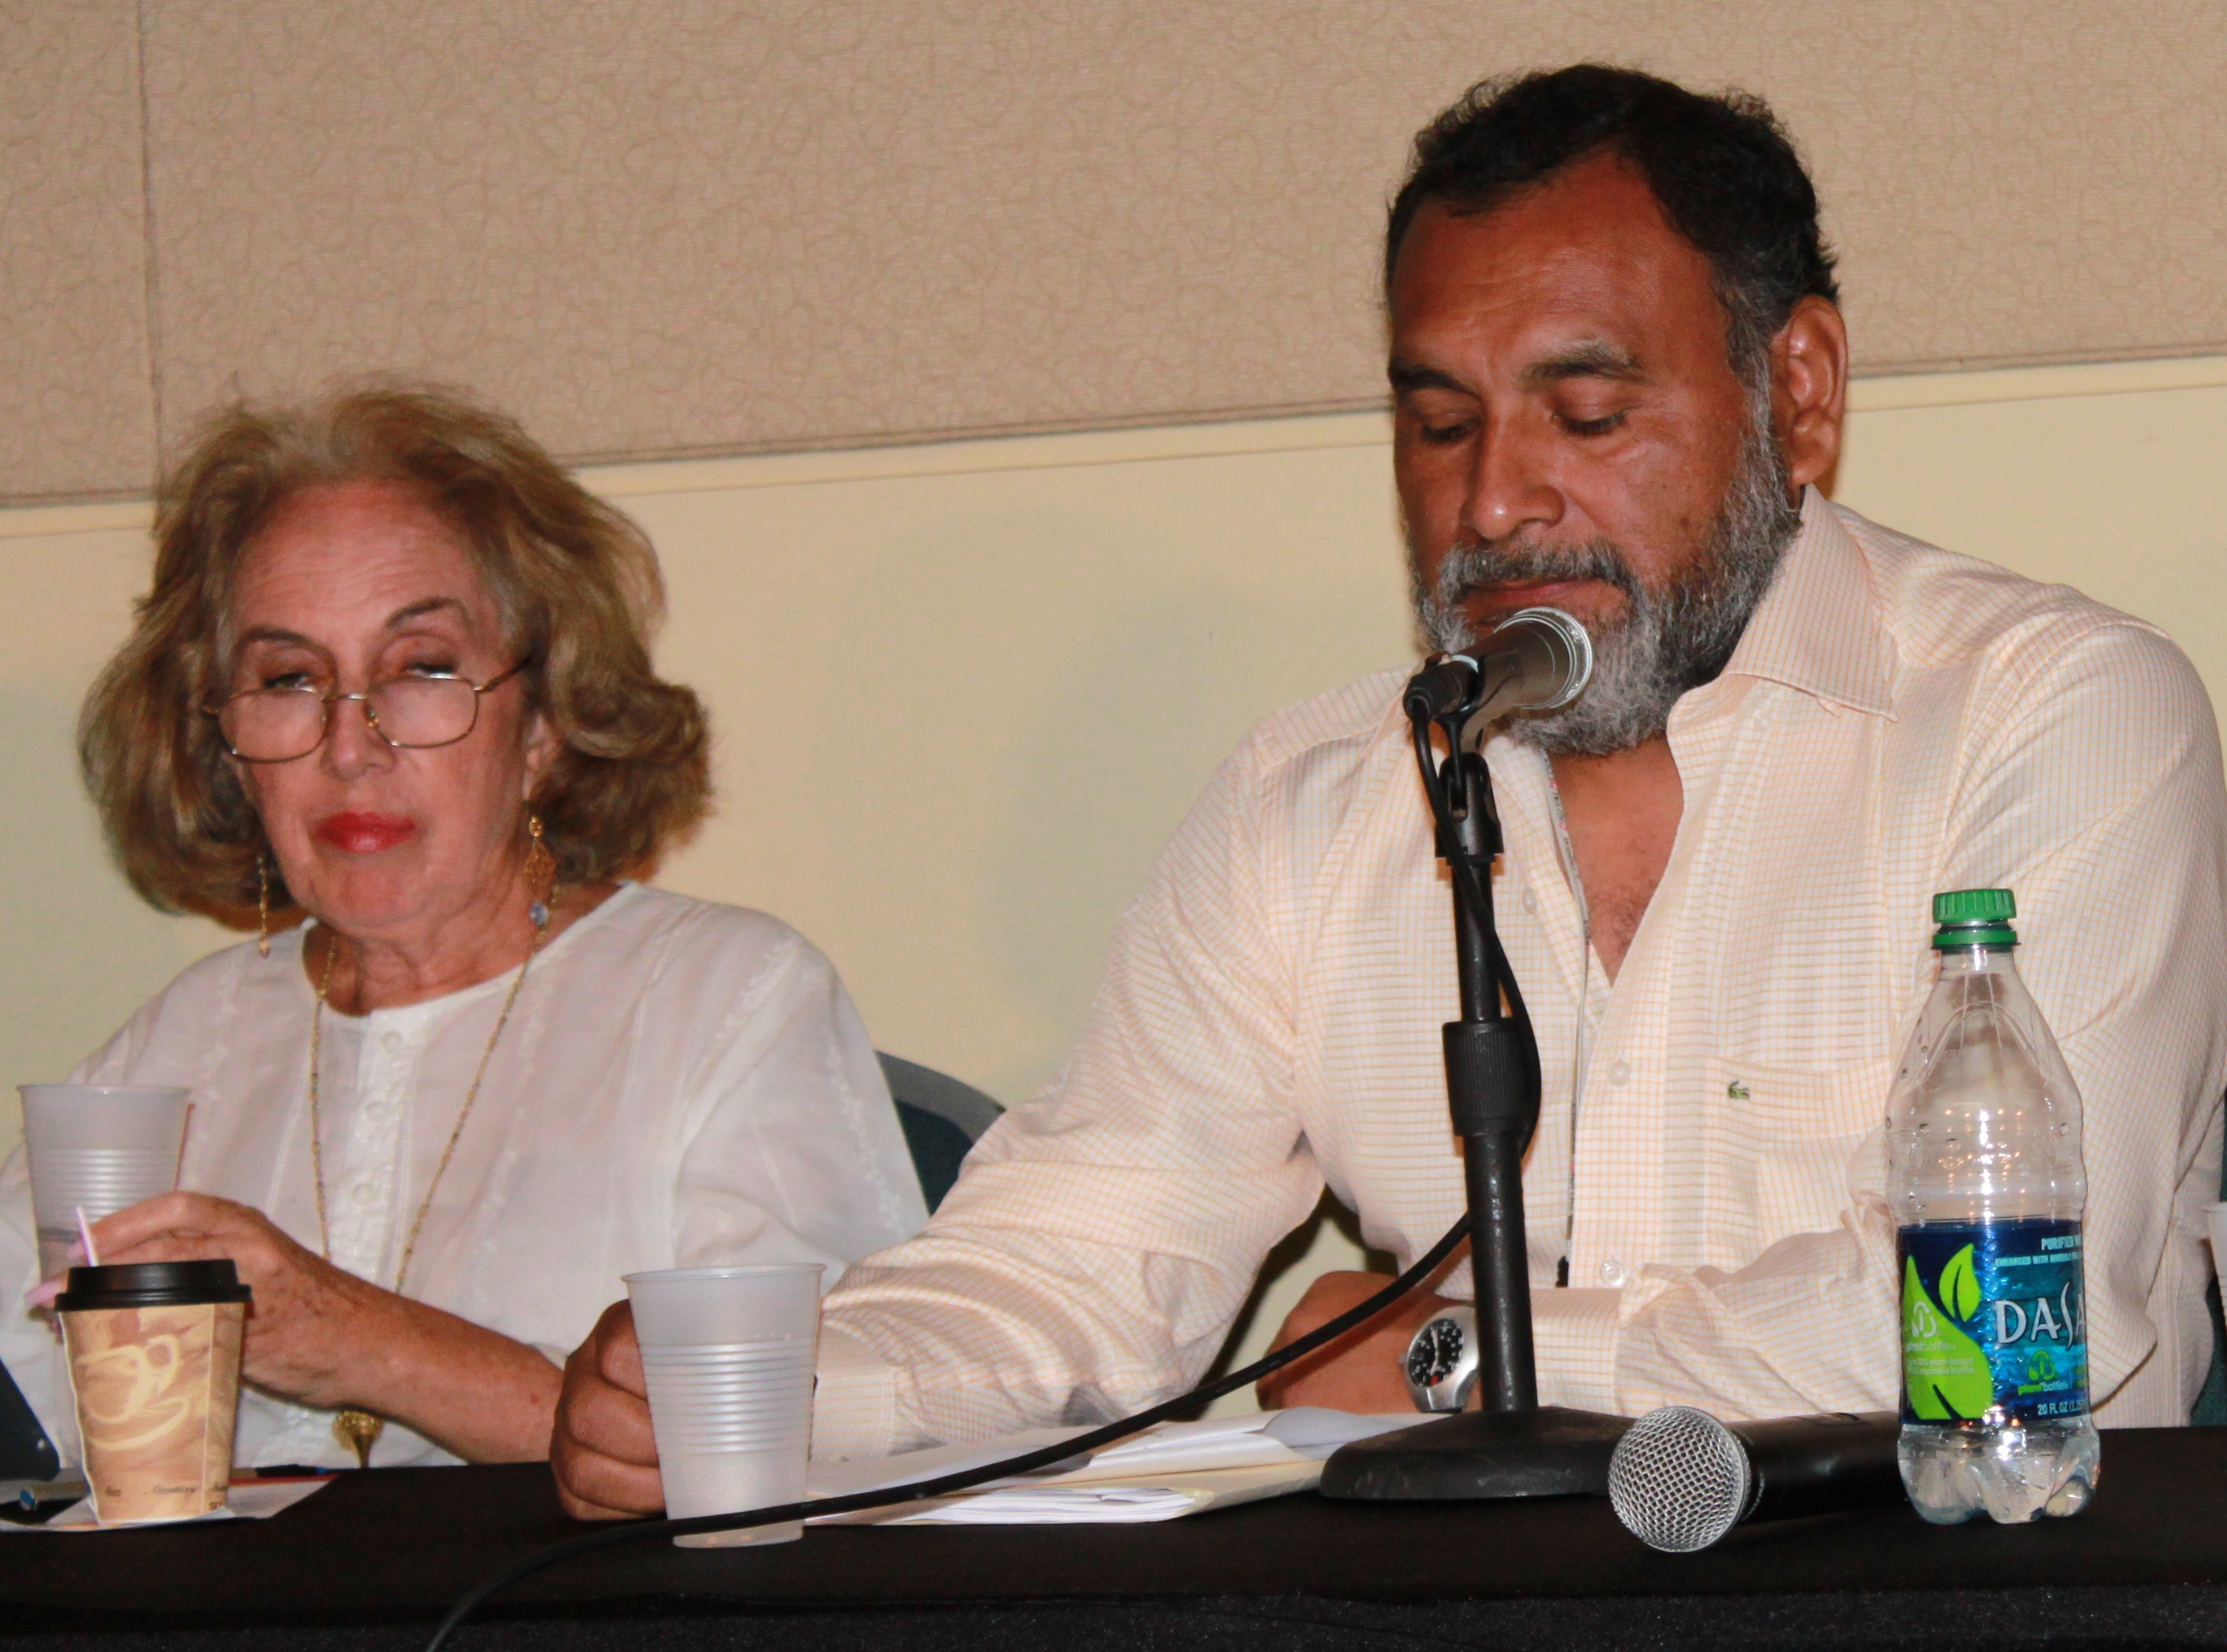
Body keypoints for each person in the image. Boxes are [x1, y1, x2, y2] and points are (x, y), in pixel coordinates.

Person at [551, 66, 2227, 1517]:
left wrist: (1456, 1356)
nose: (1494, 502)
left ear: (1797, 392)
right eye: (1438, 427)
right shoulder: (1317, 801)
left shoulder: (2053, 717)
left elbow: (2009, 1323)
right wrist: (781, 1388)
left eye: (1586, 412)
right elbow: (1083, 1257)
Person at [0, 382, 927, 1471]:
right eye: (289, 679)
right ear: (230, 749)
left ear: (542, 722)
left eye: (422, 669)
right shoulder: (182, 1043)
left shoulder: (722, 997)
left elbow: (810, 1444)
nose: (352, 747)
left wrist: (364, 1343)